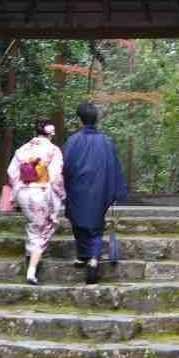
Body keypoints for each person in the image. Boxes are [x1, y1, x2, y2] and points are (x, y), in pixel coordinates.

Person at [61, 101, 127, 284]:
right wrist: (115, 191)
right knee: (96, 227)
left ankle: (83, 254)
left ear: (80, 120)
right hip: (99, 190)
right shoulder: (106, 141)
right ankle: (92, 260)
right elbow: (115, 167)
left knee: (77, 222)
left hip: (77, 190)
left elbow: (64, 167)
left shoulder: (73, 141)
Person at [7, 117, 65, 286]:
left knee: (34, 225)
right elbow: (55, 177)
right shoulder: (53, 150)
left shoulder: (23, 149)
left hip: (24, 192)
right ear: (50, 133)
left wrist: (17, 192)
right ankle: (31, 271)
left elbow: (12, 172)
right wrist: (61, 195)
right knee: (43, 229)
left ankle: (30, 255)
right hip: (40, 192)